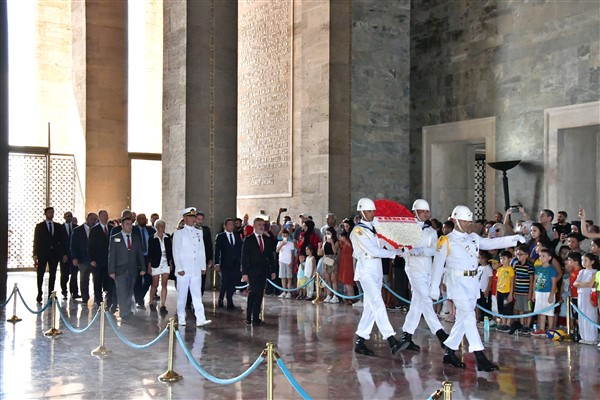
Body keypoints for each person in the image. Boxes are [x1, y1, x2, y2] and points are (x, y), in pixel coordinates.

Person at [429, 205, 525, 372]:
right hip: (456, 282)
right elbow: (437, 265)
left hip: (471, 282)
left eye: (469, 221)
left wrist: (513, 239)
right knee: (468, 316)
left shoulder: (473, 237)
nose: (468, 225)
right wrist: (434, 287)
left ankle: (449, 352)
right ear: (455, 220)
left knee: (462, 319)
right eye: (465, 221)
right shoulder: (446, 240)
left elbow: (490, 243)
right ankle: (480, 356)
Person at [350, 198, 406, 357]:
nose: (372, 214)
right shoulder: (358, 231)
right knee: (377, 303)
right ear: (361, 212)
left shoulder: (374, 228)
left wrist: (400, 246)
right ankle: (391, 340)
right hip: (366, 269)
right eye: (369, 211)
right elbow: (373, 250)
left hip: (376, 269)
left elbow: (384, 243)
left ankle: (360, 341)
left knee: (370, 307)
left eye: (373, 211)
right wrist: (395, 253)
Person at [398, 199, 449, 352]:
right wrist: (408, 250)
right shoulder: (406, 229)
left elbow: (435, 249)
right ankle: (441, 335)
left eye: (428, 211)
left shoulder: (431, 231)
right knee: (426, 300)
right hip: (413, 268)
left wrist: (422, 251)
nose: (427, 214)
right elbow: (401, 247)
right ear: (416, 212)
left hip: (427, 268)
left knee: (417, 303)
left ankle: (407, 336)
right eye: (424, 211)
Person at [172, 207, 212, 327]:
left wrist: (202, 265)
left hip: (195, 269)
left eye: (194, 217)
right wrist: (179, 268)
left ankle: (200, 318)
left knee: (197, 294)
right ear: (184, 218)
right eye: (190, 217)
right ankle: (181, 317)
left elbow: (201, 250)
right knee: (182, 295)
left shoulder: (198, 232)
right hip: (184, 269)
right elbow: (176, 251)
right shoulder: (179, 233)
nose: (193, 219)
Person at [107, 215, 146, 320]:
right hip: (120, 270)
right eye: (127, 224)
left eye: (131, 224)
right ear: (122, 225)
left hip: (132, 269)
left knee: (129, 291)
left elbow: (140, 255)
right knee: (121, 291)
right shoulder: (115, 238)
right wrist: (111, 270)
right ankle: (123, 313)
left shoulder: (136, 238)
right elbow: (112, 256)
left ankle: (127, 310)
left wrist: (143, 268)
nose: (130, 227)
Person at [241, 217, 277, 326]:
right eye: (259, 225)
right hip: (252, 271)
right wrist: (244, 273)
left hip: (263, 271)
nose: (261, 227)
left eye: (262, 225)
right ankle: (248, 316)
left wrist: (273, 270)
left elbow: (270, 256)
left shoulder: (266, 239)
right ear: (254, 226)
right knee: (253, 293)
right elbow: (244, 257)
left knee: (260, 294)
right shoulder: (249, 239)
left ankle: (256, 317)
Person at [33, 206, 68, 303]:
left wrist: (64, 253)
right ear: (45, 214)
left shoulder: (58, 226)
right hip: (43, 253)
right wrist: (35, 253)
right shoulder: (39, 226)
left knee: (53, 274)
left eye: (52, 212)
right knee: (41, 273)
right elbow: (36, 240)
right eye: (49, 213)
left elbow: (62, 241)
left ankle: (51, 294)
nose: (51, 214)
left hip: (54, 254)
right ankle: (39, 293)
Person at [88, 209, 116, 312]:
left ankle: (109, 302)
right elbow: (90, 246)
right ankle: (99, 301)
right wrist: (92, 259)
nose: (106, 217)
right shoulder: (94, 230)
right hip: (98, 261)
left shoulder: (112, 229)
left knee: (109, 282)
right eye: (103, 215)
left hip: (109, 261)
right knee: (97, 281)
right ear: (99, 217)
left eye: (107, 215)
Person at [214, 218, 243, 309]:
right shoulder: (220, 236)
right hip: (225, 263)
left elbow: (240, 251)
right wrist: (217, 263)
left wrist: (241, 263)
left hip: (235, 263)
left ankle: (229, 299)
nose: (231, 226)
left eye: (232, 224)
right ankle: (221, 298)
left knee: (232, 282)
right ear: (225, 226)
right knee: (224, 281)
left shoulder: (237, 236)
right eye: (229, 224)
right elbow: (217, 251)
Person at [71, 212, 98, 306]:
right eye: (91, 219)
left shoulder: (97, 230)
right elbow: (73, 245)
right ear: (87, 219)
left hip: (95, 259)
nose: (93, 221)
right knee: (84, 279)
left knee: (97, 279)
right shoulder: (77, 230)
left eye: (95, 220)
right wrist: (74, 257)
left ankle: (97, 298)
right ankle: (84, 298)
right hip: (83, 259)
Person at [531, 248, 559, 336]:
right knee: (541, 312)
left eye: (543, 256)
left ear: (549, 258)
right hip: (539, 292)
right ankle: (542, 329)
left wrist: (551, 295)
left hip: (548, 293)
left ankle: (550, 329)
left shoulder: (552, 269)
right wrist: (533, 293)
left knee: (550, 312)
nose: (541, 258)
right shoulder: (538, 268)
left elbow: (554, 283)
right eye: (540, 256)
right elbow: (535, 281)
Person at [148, 219, 173, 314]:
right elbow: (150, 253)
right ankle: (151, 302)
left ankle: (163, 305)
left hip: (165, 262)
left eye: (164, 226)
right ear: (157, 227)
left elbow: (170, 251)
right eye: (161, 226)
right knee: (155, 284)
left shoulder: (167, 238)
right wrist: (149, 265)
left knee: (164, 284)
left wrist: (170, 263)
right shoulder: (152, 238)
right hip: (156, 263)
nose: (163, 228)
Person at [573, 253, 599, 344]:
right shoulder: (581, 272)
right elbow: (575, 283)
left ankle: (592, 337)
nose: (583, 262)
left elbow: (590, 284)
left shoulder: (594, 272)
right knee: (581, 314)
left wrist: (581, 284)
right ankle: (584, 336)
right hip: (581, 295)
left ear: (592, 261)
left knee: (590, 314)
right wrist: (582, 284)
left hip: (589, 295)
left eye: (585, 260)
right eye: (582, 260)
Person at [509, 245, 535, 335]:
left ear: (526, 255)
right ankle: (521, 324)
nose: (519, 256)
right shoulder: (516, 265)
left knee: (528, 309)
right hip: (518, 291)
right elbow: (515, 278)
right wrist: (513, 291)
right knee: (520, 309)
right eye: (518, 254)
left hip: (526, 291)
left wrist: (530, 293)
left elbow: (531, 281)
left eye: (521, 254)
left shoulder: (529, 266)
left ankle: (527, 326)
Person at [132, 213, 156, 309]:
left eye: (144, 219)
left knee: (149, 278)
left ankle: (140, 296)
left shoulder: (150, 230)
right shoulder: (133, 230)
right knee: (137, 279)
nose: (143, 220)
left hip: (148, 258)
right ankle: (139, 300)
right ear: (137, 220)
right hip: (137, 258)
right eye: (141, 219)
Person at [60, 211, 78, 300]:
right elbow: (59, 243)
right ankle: (64, 291)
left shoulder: (76, 228)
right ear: (64, 217)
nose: (69, 217)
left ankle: (74, 292)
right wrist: (63, 254)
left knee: (74, 274)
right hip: (64, 256)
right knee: (64, 275)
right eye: (67, 216)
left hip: (73, 256)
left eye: (70, 216)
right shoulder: (60, 228)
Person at [495, 250, 515, 332]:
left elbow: (512, 282)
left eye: (504, 258)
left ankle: (508, 324)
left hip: (507, 292)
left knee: (508, 308)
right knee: (501, 308)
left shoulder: (510, 269)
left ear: (509, 259)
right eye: (501, 258)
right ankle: (503, 324)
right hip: (500, 291)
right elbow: (498, 280)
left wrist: (511, 294)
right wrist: (496, 292)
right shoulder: (499, 269)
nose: (502, 260)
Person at [319, 226, 340, 303]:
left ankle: (335, 295)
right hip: (325, 259)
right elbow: (321, 252)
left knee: (333, 279)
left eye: (329, 233)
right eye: (326, 233)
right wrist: (320, 246)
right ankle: (328, 294)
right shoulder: (324, 241)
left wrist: (332, 243)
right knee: (327, 279)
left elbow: (335, 251)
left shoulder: (335, 241)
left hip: (332, 259)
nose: (327, 235)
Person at [338, 218, 356, 304]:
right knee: (344, 280)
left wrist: (345, 240)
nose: (346, 228)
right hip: (344, 258)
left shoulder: (353, 235)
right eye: (344, 226)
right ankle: (347, 296)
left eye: (347, 226)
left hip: (350, 258)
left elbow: (353, 247)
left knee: (348, 279)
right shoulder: (344, 234)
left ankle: (351, 298)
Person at [275, 229, 295, 299]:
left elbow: (292, 254)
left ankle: (289, 292)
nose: (285, 237)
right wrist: (282, 244)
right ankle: (284, 291)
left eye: (286, 236)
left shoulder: (291, 243)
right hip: (282, 261)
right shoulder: (279, 243)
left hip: (288, 262)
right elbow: (277, 251)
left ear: (288, 236)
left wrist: (291, 262)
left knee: (289, 277)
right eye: (283, 236)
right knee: (283, 277)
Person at [476, 251, 493, 323]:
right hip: (478, 289)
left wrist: (487, 289)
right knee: (478, 304)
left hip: (484, 289)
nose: (480, 260)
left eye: (482, 258)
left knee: (484, 305)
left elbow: (490, 279)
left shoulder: (488, 268)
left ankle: (485, 319)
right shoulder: (479, 267)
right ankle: (478, 318)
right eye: (479, 258)